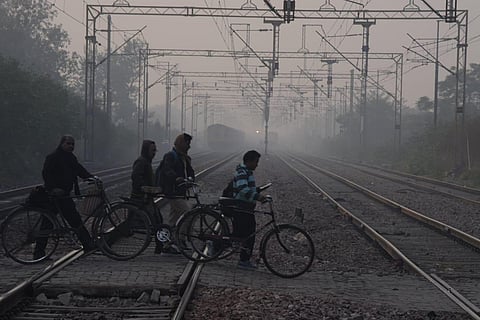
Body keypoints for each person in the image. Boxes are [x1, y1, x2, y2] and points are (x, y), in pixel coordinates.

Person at [34, 135, 95, 259]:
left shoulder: (71, 158)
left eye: (72, 144)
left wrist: (90, 177)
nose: (71, 146)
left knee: (74, 220)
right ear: (62, 143)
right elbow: (46, 173)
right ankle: (38, 253)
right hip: (53, 196)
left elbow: (79, 170)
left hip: (64, 196)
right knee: (48, 224)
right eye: (68, 143)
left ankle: (88, 245)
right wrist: (52, 188)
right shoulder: (53, 157)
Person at [155, 133, 195, 254]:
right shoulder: (170, 156)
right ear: (181, 143)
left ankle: (167, 244)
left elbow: (190, 171)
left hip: (180, 192)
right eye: (187, 143)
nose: (189, 146)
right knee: (188, 213)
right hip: (173, 191)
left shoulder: (183, 157)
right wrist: (177, 178)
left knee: (173, 219)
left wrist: (191, 178)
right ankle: (179, 239)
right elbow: (167, 170)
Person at [231, 150, 266, 270]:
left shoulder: (247, 172)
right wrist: (257, 196)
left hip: (246, 207)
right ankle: (243, 261)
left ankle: (216, 246)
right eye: (256, 162)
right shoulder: (242, 172)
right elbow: (243, 189)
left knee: (240, 234)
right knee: (248, 234)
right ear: (249, 161)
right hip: (242, 207)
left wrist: (257, 190)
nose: (257, 164)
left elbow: (247, 188)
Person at [131, 140, 164, 253]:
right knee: (157, 221)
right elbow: (136, 177)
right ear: (146, 150)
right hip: (141, 197)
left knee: (158, 220)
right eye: (152, 150)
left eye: (155, 150)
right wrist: (144, 188)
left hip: (146, 197)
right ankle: (160, 245)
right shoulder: (141, 162)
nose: (154, 153)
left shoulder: (146, 161)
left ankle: (160, 245)